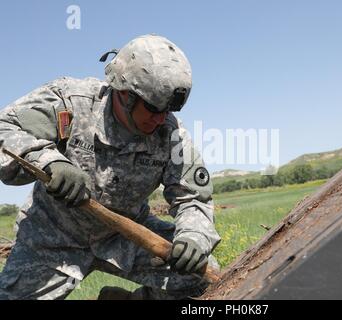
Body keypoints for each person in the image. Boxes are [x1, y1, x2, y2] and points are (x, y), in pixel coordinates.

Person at [0, 34, 221, 300]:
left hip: (125, 235)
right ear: (125, 94)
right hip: (50, 238)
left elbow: (192, 197)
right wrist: (48, 160)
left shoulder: (170, 135)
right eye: (153, 108)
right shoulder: (70, 103)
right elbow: (4, 130)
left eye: (168, 110)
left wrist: (194, 237)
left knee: (198, 279)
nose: (161, 118)